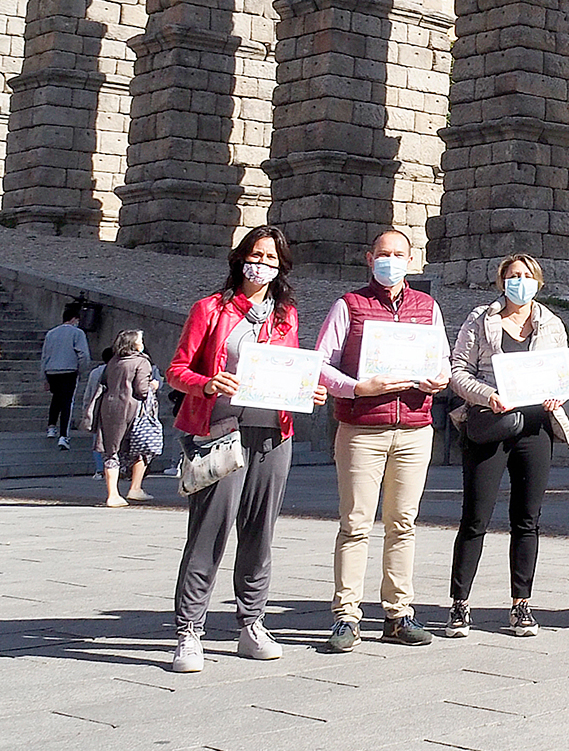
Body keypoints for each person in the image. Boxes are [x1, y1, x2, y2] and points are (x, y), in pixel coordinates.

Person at [166, 225, 324, 673]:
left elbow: (289, 368)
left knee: (260, 532)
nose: (263, 265)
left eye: (272, 260)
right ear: (240, 259)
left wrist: (307, 391)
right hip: (221, 429)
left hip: (274, 432)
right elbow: (178, 369)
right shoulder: (210, 309)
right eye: (257, 256)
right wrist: (206, 382)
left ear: (281, 268)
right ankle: (189, 630)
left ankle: (251, 622)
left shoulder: (285, 315)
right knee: (208, 531)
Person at [316, 229, 450, 653]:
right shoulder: (348, 305)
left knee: (403, 525)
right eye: (383, 254)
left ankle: (398, 613)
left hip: (414, 427)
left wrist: (440, 378)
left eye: (399, 254)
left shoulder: (427, 307)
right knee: (355, 524)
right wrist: (359, 388)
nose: (391, 260)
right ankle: (346, 615)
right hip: (361, 428)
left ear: (412, 260)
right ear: (369, 258)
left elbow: (442, 359)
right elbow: (321, 365)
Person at [444, 254, 569, 638]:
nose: (520, 281)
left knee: (527, 519)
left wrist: (558, 397)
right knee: (475, 517)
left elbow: (562, 376)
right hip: (491, 421)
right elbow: (458, 372)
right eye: (513, 276)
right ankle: (459, 603)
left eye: (527, 276)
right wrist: (487, 395)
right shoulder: (480, 318)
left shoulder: (552, 323)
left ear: (539, 282)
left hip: (535, 427)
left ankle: (521, 605)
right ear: (501, 282)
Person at [94, 330, 157, 507]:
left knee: (111, 451)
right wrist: (153, 386)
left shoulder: (113, 361)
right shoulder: (141, 361)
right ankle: (135, 487)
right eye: (140, 340)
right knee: (143, 446)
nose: (142, 342)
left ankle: (112, 493)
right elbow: (142, 389)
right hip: (133, 410)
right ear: (134, 344)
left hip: (109, 408)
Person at [41, 303, 91, 448]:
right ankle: (64, 435)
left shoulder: (51, 333)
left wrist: (44, 376)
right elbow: (83, 355)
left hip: (51, 370)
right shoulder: (77, 333)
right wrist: (80, 370)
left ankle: (51, 427)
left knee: (56, 399)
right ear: (75, 319)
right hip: (69, 370)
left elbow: (45, 355)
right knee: (67, 402)